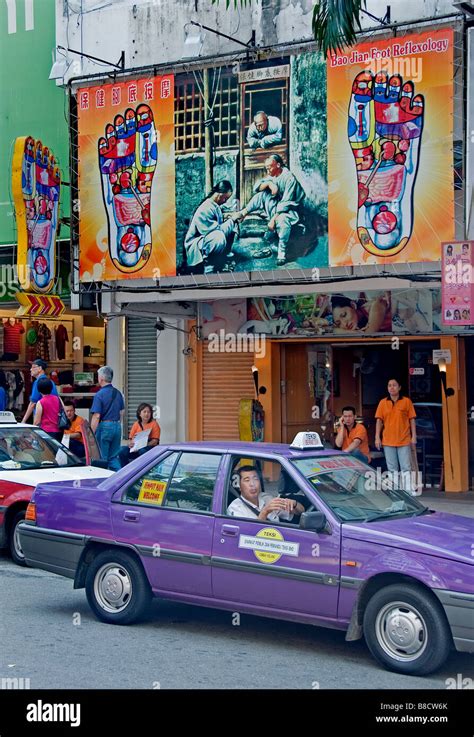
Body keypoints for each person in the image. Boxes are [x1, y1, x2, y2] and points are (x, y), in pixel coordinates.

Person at [238, 154, 305, 265]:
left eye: (270, 167)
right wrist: (269, 184)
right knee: (262, 195)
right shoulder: (272, 176)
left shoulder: (289, 178)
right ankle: (244, 212)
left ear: (278, 165)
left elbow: (286, 203)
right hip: (277, 207)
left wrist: (273, 219)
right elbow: (256, 187)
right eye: (266, 167)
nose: (267, 169)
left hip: (291, 211)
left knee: (282, 220)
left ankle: (281, 252)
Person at [184, 180, 241, 274]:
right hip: (196, 244)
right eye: (225, 199)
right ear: (219, 195)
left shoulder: (214, 205)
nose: (225, 201)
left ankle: (224, 256)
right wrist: (232, 219)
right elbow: (214, 231)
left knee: (232, 225)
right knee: (218, 237)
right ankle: (208, 265)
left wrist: (228, 217)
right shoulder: (205, 207)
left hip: (206, 239)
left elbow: (217, 222)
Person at [375, 379, 418, 495]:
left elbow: (412, 420)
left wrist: (414, 436)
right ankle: (396, 491)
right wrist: (377, 437)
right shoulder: (383, 403)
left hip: (403, 439)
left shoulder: (406, 402)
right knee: (392, 468)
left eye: (394, 385)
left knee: (406, 466)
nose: (391, 387)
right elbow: (379, 421)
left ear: (399, 387)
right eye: (389, 385)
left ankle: (408, 489)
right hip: (388, 440)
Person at [227, 465, 304, 521]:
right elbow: (247, 536)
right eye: (247, 480)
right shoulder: (235, 508)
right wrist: (265, 512)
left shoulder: (267, 498)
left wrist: (294, 504)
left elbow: (301, 513)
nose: (252, 484)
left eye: (255, 479)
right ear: (239, 486)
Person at [90, 366, 125, 471]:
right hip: (117, 426)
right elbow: (122, 412)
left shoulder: (99, 394)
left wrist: (91, 433)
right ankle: (121, 478)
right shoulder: (118, 393)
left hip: (105, 427)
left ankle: (103, 482)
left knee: (102, 458)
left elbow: (96, 416)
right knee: (113, 457)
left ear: (101, 378)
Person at [118, 402, 161, 467]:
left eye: (148, 412)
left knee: (142, 451)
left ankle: (142, 470)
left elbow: (155, 441)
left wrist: (142, 445)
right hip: (136, 448)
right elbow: (131, 439)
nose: (147, 414)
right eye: (144, 412)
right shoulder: (136, 424)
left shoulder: (154, 424)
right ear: (139, 413)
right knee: (122, 450)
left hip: (148, 448)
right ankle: (125, 469)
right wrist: (131, 444)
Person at [22, 358, 58, 424]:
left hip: (43, 419)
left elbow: (32, 403)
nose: (30, 369)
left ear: (40, 368)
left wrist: (23, 421)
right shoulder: (50, 381)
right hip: (53, 419)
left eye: (33, 367)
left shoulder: (38, 382)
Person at [33, 376, 62, 442]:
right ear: (51, 388)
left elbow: (37, 421)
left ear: (39, 390)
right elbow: (64, 412)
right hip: (59, 431)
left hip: (47, 432)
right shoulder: (58, 399)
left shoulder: (40, 402)